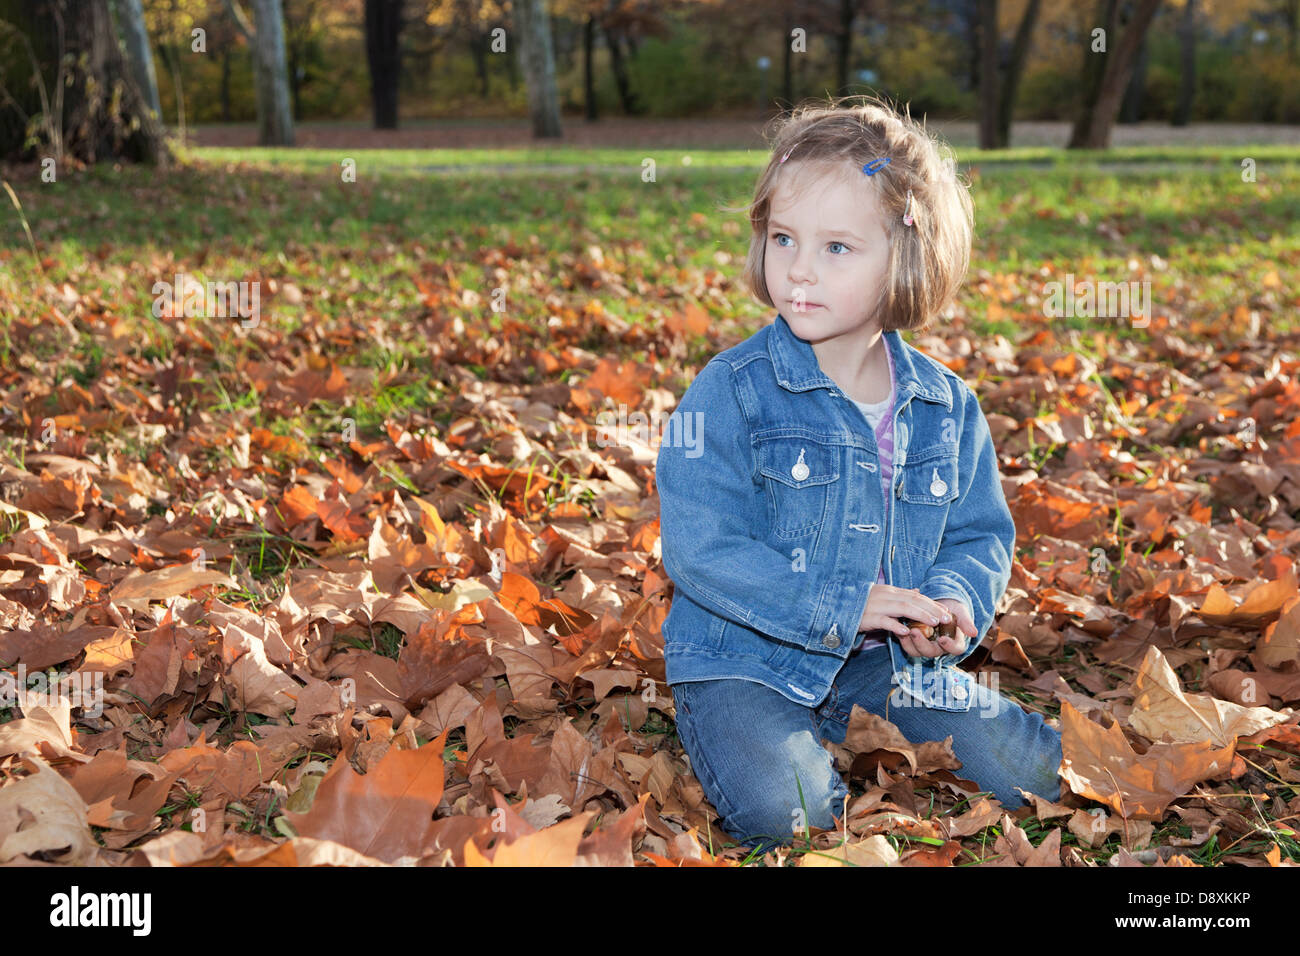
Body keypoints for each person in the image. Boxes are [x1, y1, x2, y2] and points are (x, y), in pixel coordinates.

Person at [655, 94, 1063, 854]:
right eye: (783, 238)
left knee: (1030, 772)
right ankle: (764, 743)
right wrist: (845, 601)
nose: (799, 270)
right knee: (794, 815)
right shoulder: (731, 389)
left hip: (885, 666)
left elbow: (977, 531)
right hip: (744, 661)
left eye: (836, 248)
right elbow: (700, 547)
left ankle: (858, 723)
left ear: (904, 258)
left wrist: (952, 599)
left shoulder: (945, 405)